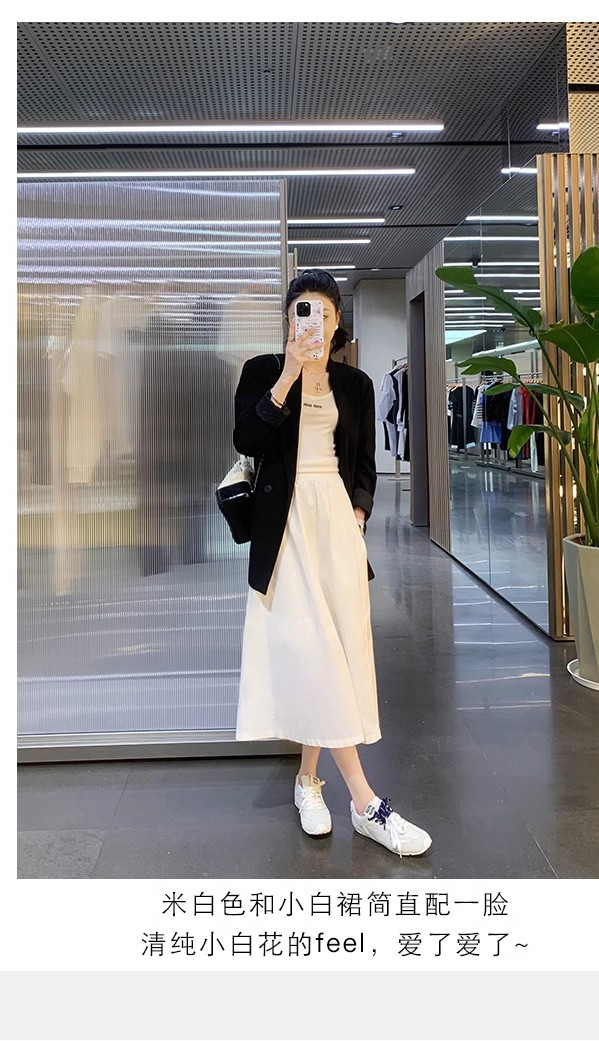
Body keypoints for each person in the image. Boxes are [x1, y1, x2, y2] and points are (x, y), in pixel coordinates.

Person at [232, 269, 431, 858]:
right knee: (315, 646)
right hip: (285, 526)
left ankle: (307, 780)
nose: (311, 321)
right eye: (301, 310)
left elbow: (364, 461)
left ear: (338, 319)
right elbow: (247, 439)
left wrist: (359, 515)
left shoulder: (357, 383)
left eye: (321, 311)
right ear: (288, 318)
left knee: (338, 646)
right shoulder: (262, 371)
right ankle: (366, 803)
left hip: (337, 525)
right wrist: (289, 375)